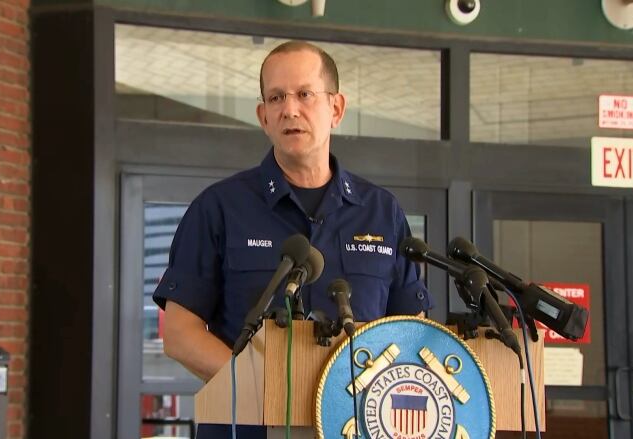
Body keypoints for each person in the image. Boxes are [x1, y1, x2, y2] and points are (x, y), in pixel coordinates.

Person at [153, 40, 431, 438]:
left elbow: (411, 329)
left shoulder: (382, 212)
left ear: (336, 108)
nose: (290, 109)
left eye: (304, 94)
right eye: (276, 97)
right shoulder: (219, 208)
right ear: (263, 116)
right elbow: (180, 336)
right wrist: (268, 388)